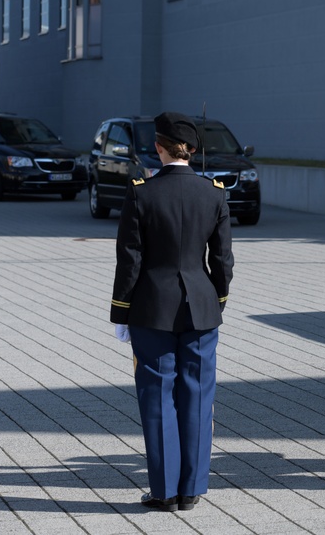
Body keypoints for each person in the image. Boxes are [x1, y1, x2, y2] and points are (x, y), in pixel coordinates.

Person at [111, 112, 234, 511]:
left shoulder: (141, 192)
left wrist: (121, 312)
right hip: (200, 308)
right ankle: (192, 490)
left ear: (158, 147)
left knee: (157, 397)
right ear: (193, 151)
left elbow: (129, 259)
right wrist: (215, 301)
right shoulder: (214, 193)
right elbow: (223, 261)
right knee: (198, 396)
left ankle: (163, 491)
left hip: (151, 308)